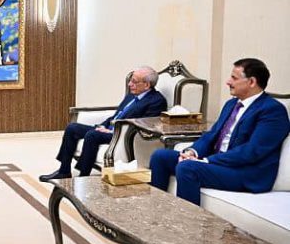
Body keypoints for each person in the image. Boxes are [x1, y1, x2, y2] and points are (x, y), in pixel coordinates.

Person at [150, 58, 290, 205]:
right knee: (160, 156)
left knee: (187, 168)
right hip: (220, 163)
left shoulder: (272, 110)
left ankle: (188, 220)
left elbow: (252, 151)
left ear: (251, 82)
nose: (228, 82)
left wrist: (207, 161)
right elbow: (211, 135)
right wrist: (192, 152)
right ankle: (156, 209)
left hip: (245, 172)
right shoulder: (231, 104)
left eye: (234, 78)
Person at [40, 66, 167, 181]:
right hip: (109, 129)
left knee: (92, 135)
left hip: (122, 135)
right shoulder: (131, 96)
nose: (129, 84)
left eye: (134, 81)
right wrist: (103, 126)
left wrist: (112, 130)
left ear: (147, 85)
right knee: (72, 128)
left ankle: (83, 177)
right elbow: (117, 115)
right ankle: (64, 171)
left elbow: (144, 125)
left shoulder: (157, 101)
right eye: (130, 80)